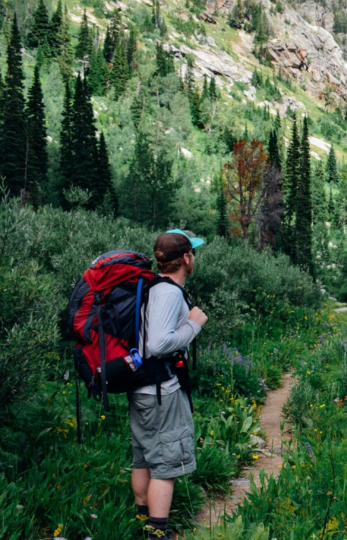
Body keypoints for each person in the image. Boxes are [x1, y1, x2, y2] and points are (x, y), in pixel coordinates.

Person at [130, 229, 208, 539]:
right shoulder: (169, 292)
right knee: (166, 465)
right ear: (186, 258)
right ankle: (157, 534)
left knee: (145, 456)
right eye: (193, 254)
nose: (194, 259)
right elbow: (160, 343)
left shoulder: (154, 287)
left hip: (144, 388)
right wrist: (194, 325)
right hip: (162, 392)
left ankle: (141, 520)